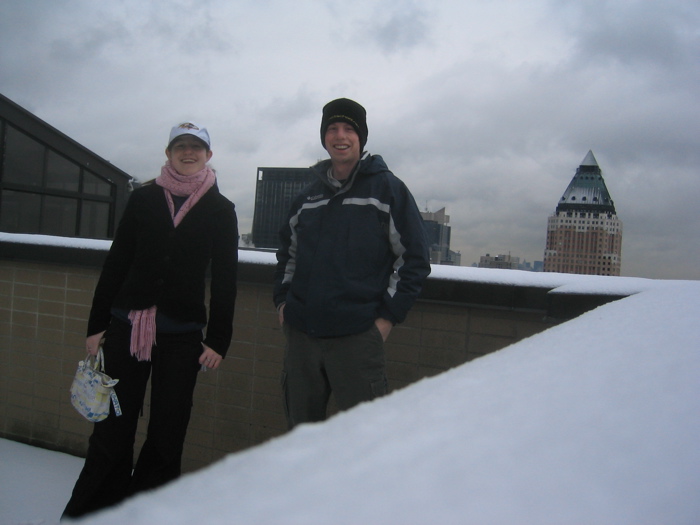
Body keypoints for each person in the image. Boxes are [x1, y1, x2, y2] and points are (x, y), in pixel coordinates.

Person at [62, 122, 238, 519]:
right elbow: (117, 262)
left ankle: (145, 510)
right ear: (168, 152)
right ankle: (95, 508)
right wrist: (97, 326)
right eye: (180, 146)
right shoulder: (143, 199)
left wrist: (218, 339)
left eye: (196, 146)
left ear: (208, 155)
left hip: (182, 337)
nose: (188, 152)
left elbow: (227, 279)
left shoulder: (220, 210)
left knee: (167, 430)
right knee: (112, 427)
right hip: (126, 330)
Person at [273, 98, 431, 429]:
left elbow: (413, 259)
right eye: (332, 129)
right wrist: (283, 302)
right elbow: (288, 254)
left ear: (361, 138)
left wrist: (387, 319)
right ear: (323, 136)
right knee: (299, 439)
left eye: (348, 129)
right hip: (302, 337)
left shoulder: (387, 189)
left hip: (357, 338)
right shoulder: (307, 198)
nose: (340, 136)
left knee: (363, 441)